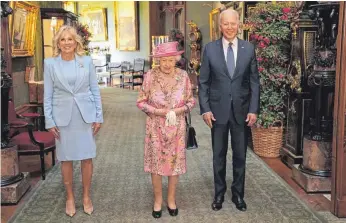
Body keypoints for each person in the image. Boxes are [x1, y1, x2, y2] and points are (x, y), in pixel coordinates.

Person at [198, 9, 260, 212]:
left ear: (239, 24)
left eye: (234, 23)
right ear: (220, 26)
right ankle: (218, 194)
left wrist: (253, 109)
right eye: (226, 24)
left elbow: (254, 82)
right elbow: (204, 82)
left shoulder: (248, 49)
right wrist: (205, 109)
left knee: (240, 156)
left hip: (242, 112)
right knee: (219, 155)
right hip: (217, 111)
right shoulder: (210, 49)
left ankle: (238, 195)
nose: (230, 27)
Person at [43, 25, 103, 217]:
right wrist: (49, 120)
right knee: (66, 158)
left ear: (76, 41)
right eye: (63, 40)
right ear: (58, 43)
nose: (67, 43)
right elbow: (48, 95)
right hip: (62, 118)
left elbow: (95, 89)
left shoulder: (86, 61)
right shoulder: (50, 64)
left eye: (70, 39)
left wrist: (98, 116)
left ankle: (86, 196)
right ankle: (69, 197)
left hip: (85, 115)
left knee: (87, 157)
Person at [137, 41, 195, 218]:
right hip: (155, 127)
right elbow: (140, 101)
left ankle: (171, 199)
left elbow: (191, 101)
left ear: (176, 59)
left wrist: (177, 111)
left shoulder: (183, 76)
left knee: (174, 163)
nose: (167, 64)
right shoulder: (150, 76)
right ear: (158, 61)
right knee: (156, 165)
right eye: (163, 61)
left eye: (171, 60)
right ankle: (157, 200)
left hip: (177, 127)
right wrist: (158, 111)